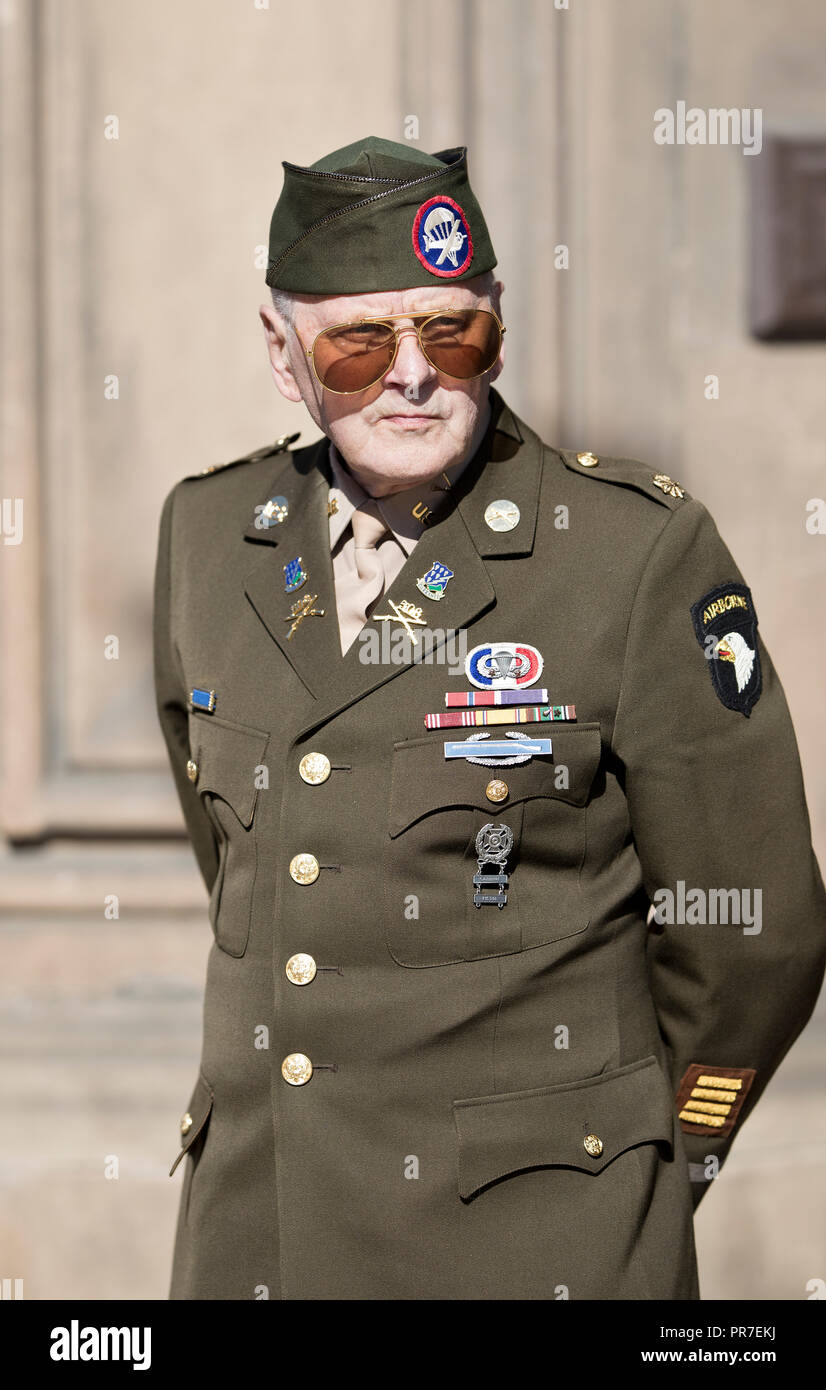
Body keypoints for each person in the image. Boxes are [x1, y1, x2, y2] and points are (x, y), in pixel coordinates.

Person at [153, 135, 826, 1300]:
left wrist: (635, 1163)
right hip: (262, 1238)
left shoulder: (629, 553)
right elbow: (247, 871)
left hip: (533, 1254)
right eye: (358, 344)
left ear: (497, 325)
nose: (411, 375)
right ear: (282, 353)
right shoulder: (211, 539)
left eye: (451, 332)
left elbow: (751, 935)